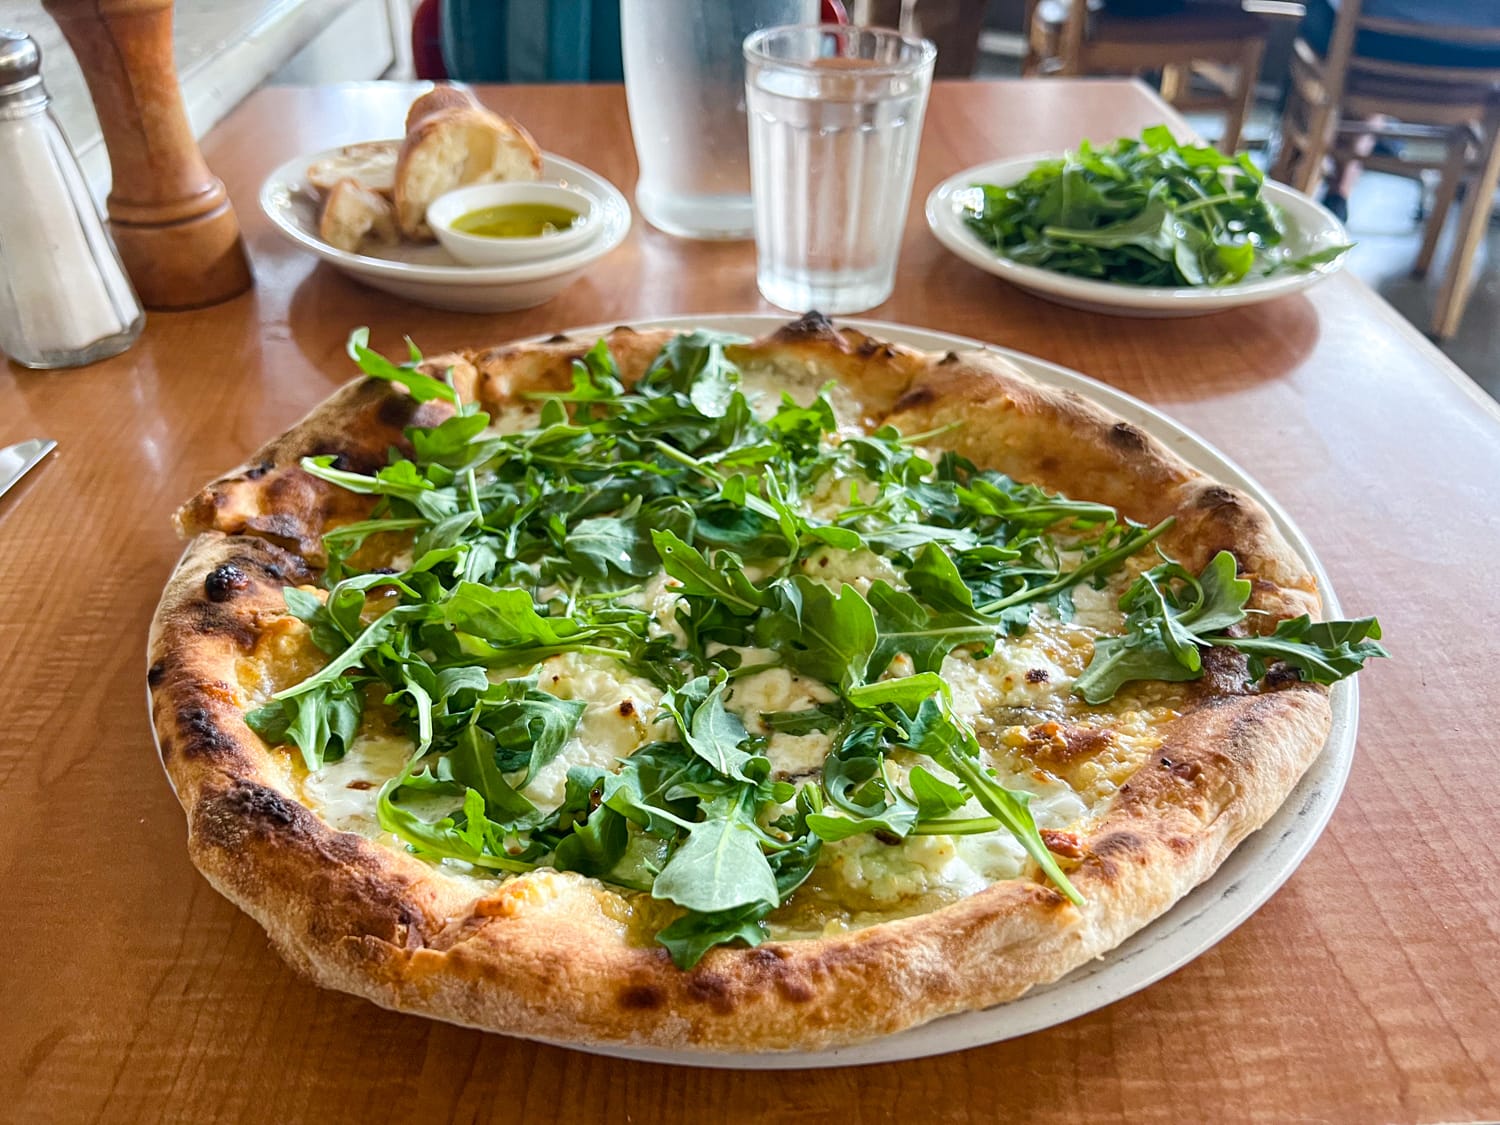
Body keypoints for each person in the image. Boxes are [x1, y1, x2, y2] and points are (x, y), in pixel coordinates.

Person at [1299, 0, 1500, 221]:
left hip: (1367, 49)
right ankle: (1464, 192)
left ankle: (1329, 183)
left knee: (1329, 16)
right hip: (1474, 66)